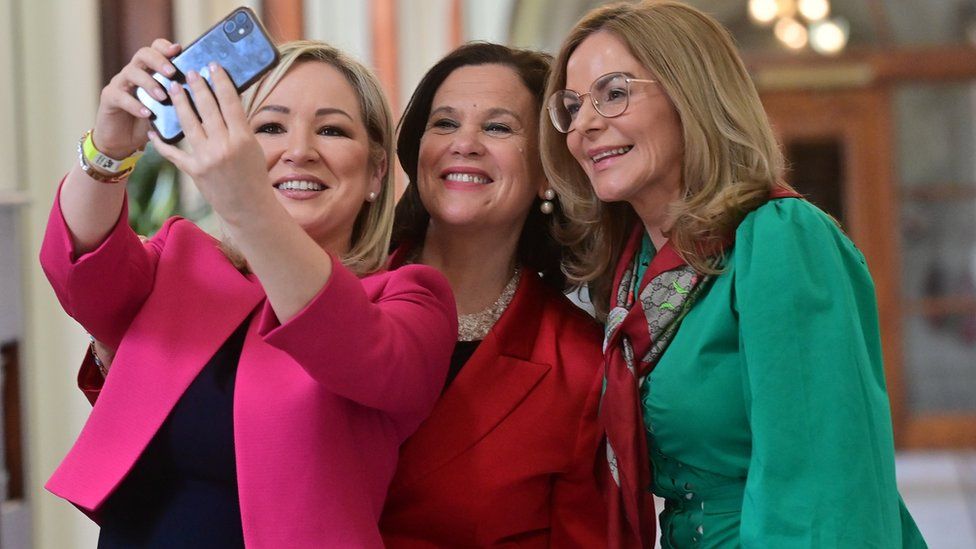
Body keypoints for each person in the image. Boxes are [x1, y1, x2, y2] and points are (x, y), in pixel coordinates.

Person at [539, 2, 927, 548]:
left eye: (614, 92)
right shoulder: (629, 272)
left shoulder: (779, 238)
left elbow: (821, 487)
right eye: (572, 106)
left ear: (690, 94)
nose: (586, 124)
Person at [40, 39, 456, 548]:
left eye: (331, 130)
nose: (299, 151)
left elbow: (350, 343)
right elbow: (79, 269)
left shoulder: (411, 299)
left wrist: (249, 203)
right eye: (270, 127)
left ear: (376, 174)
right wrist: (109, 146)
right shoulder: (182, 261)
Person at [378, 42, 607, 547]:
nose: (465, 143)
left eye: (498, 127)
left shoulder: (583, 366)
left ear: (549, 172)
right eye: (444, 124)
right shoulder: (333, 295)